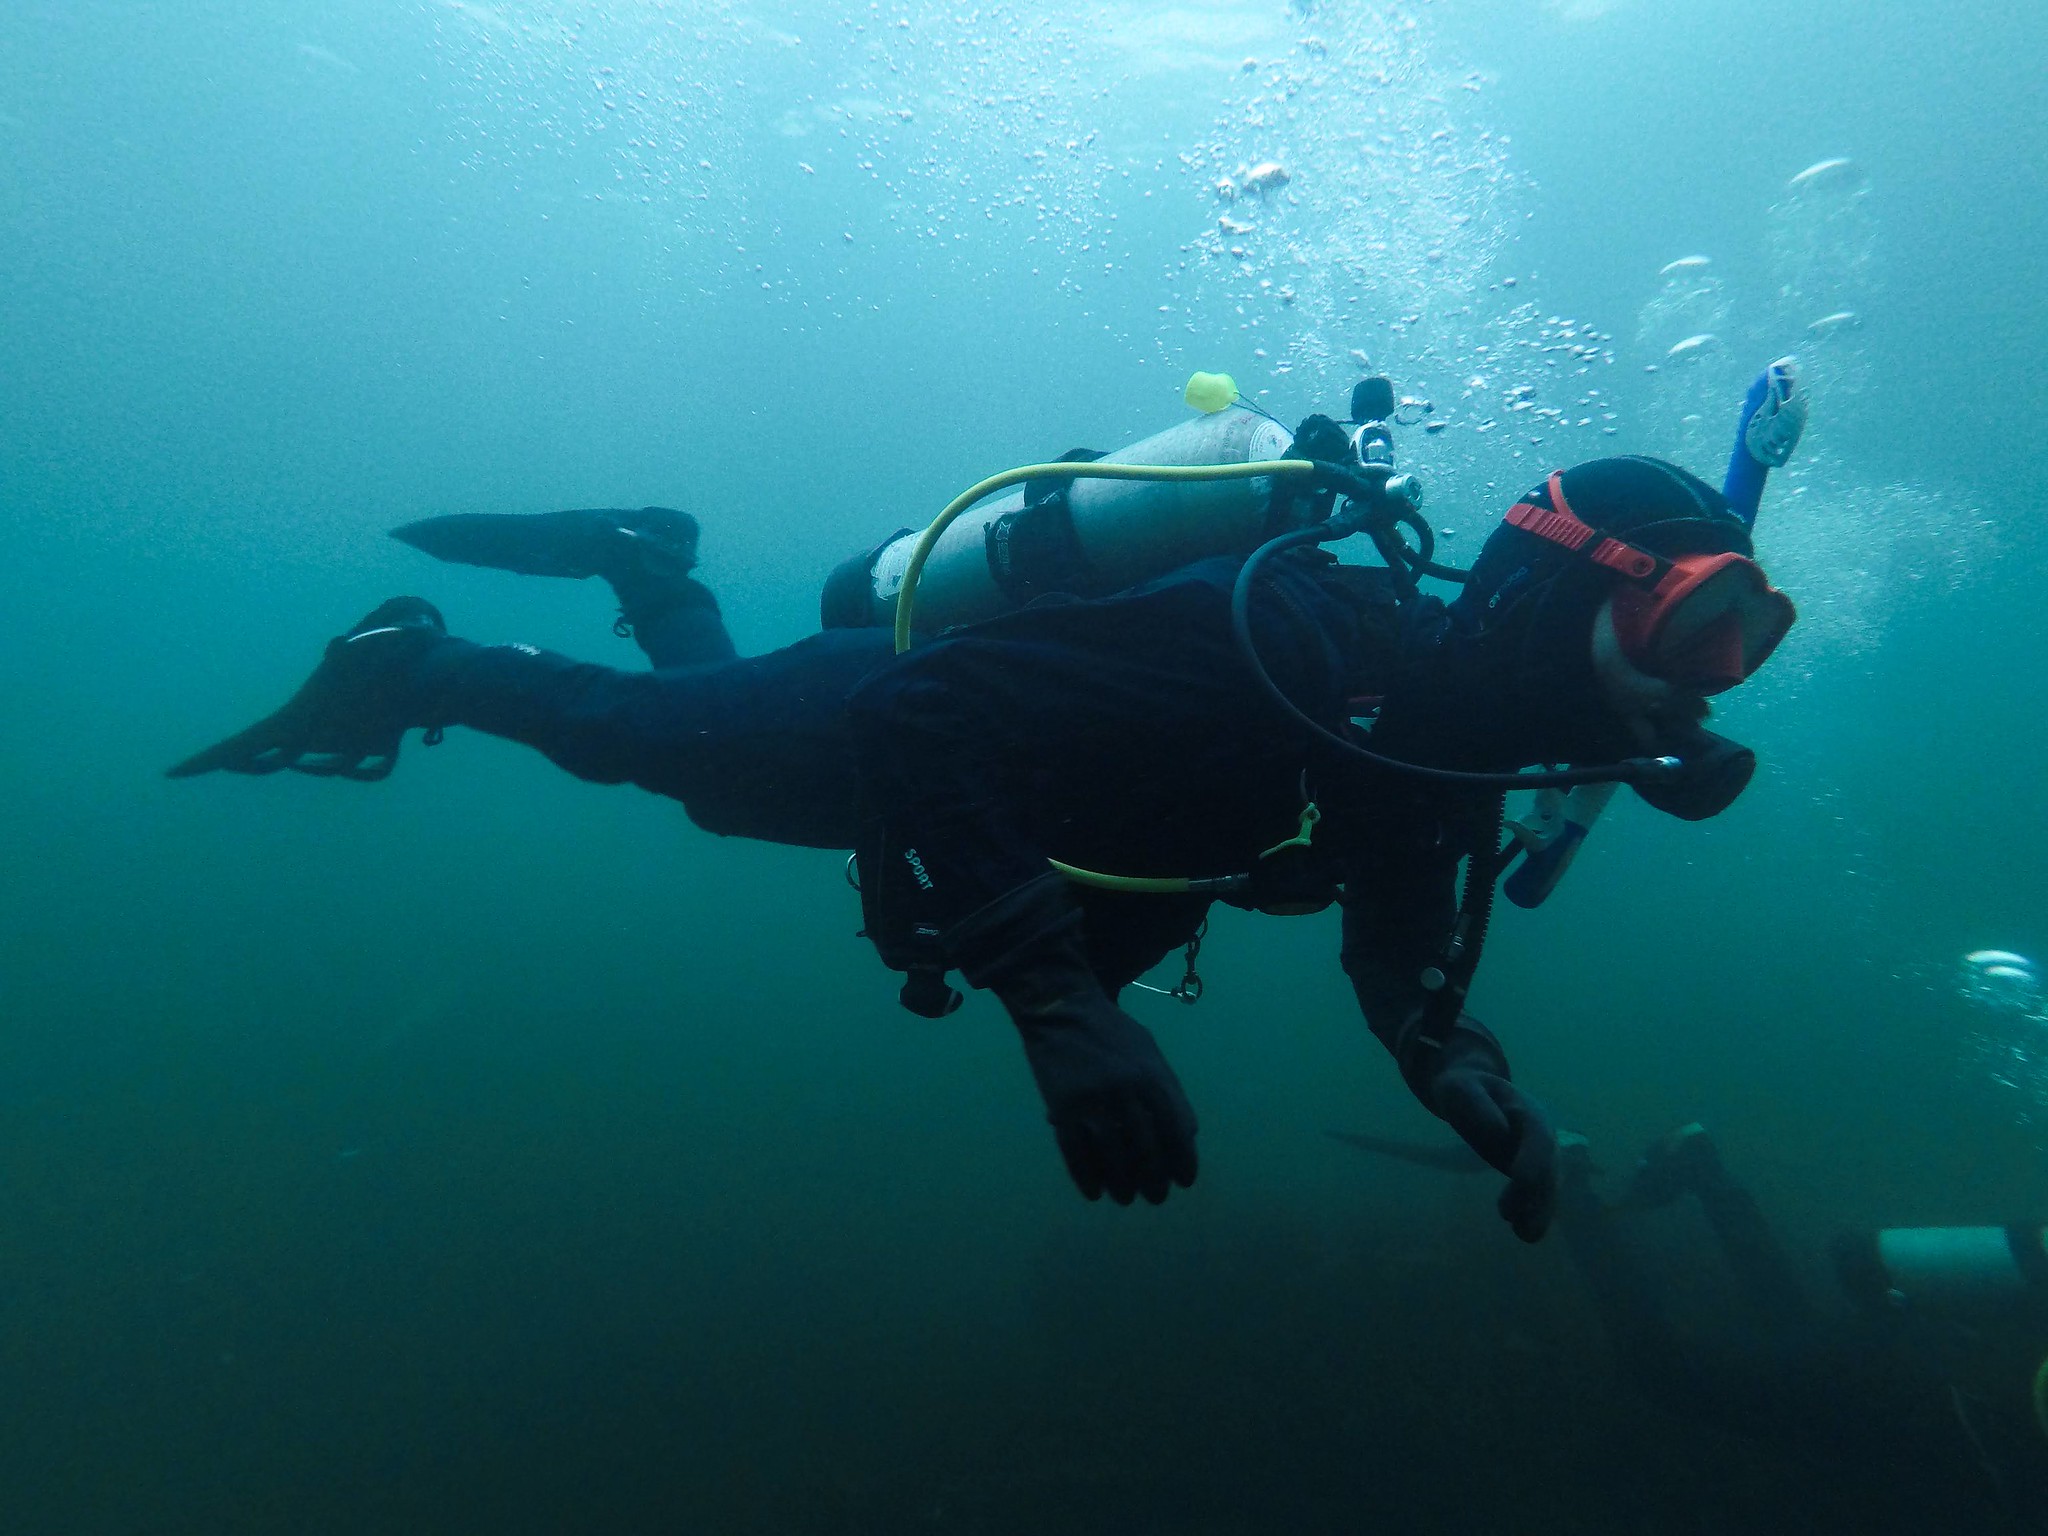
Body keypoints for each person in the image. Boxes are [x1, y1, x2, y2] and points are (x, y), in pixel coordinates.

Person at [169, 373, 1802, 1239]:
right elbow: (915, 703)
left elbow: (1396, 925)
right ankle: (416, 659)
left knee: (709, 787)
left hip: (1014, 785)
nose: (1706, 682)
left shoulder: (1439, 740)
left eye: (1739, 645)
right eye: (1691, 628)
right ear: (1547, 594)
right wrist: (1055, 1009)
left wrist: (1454, 1070)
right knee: (636, 744)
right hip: (936, 735)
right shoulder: (1292, 641)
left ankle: (648, 564)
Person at [1337, 1123, 2048, 1529]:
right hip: (1941, 1409)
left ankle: (1699, 1167)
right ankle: (1569, 1179)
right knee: (1663, 1371)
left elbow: (1855, 1264)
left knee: (1798, 1334)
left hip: (1925, 1359)